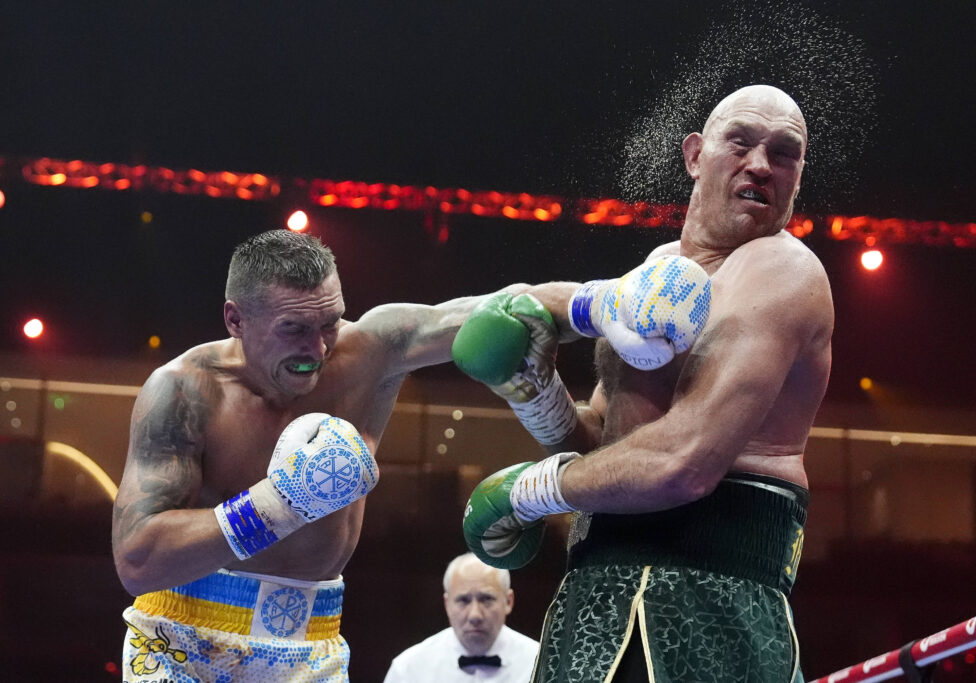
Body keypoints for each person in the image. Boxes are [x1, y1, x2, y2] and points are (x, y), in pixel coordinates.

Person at [460, 85, 834, 682]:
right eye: (740, 141)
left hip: (715, 594)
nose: (761, 164)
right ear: (694, 155)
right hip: (593, 594)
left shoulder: (782, 270)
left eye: (783, 153)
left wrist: (524, 492)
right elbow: (604, 449)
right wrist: (535, 392)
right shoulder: (655, 274)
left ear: (796, 177)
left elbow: (683, 462)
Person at [111, 229, 583, 683]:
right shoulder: (184, 391)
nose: (316, 349)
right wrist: (280, 503)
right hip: (183, 643)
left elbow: (511, 308)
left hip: (312, 641)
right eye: (293, 328)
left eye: (329, 323)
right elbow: (137, 562)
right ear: (236, 320)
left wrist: (609, 302)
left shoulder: (372, 350)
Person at [382, 553, 540, 682]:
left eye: (487, 599)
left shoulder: (542, 663)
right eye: (463, 600)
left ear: (508, 601)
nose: (475, 615)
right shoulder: (409, 669)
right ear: (447, 604)